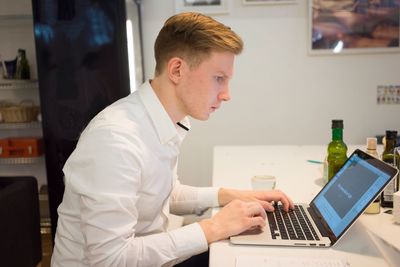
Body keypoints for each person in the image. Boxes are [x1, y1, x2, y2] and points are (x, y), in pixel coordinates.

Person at [51, 12, 294, 267]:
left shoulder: (167, 119)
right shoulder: (115, 140)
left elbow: (164, 193)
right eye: (219, 79)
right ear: (177, 70)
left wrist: (231, 195)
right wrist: (214, 227)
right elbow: (110, 259)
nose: (226, 95)